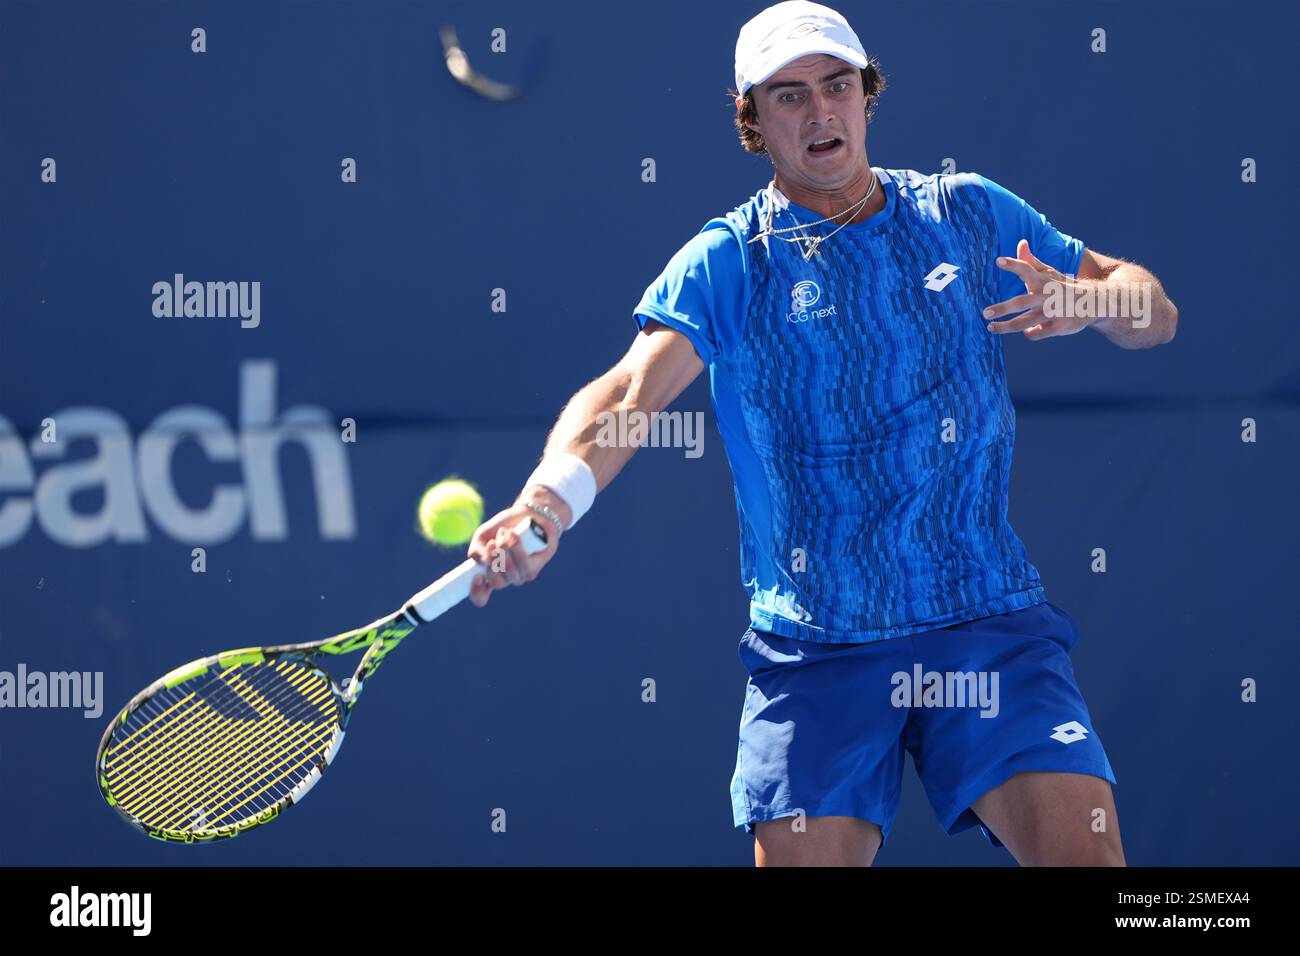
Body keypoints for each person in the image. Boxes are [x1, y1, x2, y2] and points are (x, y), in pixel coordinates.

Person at [465, 0, 1177, 866]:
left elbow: (1154, 313)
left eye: (836, 86)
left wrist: (1093, 301)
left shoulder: (969, 211)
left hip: (987, 623)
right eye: (789, 96)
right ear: (753, 122)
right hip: (817, 647)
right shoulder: (731, 260)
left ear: (866, 96)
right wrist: (549, 500)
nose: (819, 111)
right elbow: (626, 394)